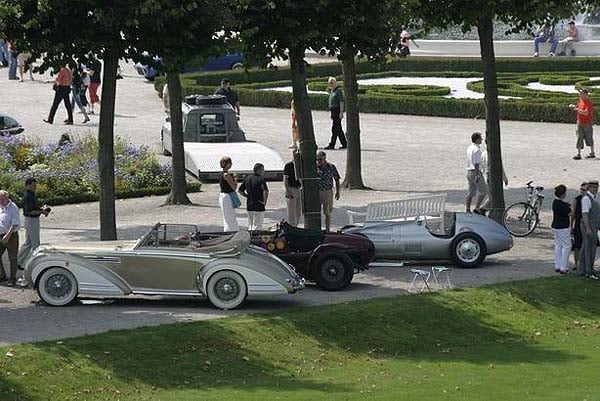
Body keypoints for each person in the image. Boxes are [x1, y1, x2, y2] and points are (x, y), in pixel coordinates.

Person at [17, 178, 51, 268]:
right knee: (36, 243)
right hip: (31, 220)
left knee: (28, 243)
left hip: (30, 220)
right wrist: (42, 212)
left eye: (35, 185)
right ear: (28, 185)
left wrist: (41, 210)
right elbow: (29, 211)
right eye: (33, 185)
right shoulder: (28, 196)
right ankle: (36, 264)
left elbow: (33, 208)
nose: (35, 186)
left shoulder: (31, 194)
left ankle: (19, 262)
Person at [479, 138, 508, 215]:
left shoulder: (483, 153)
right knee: (494, 196)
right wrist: (504, 178)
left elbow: (481, 167)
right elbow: (500, 167)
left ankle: (484, 209)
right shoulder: (493, 154)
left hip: (486, 177)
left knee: (491, 196)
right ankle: (483, 209)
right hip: (491, 178)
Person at [578, 179, 600, 279]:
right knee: (590, 249)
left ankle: (582, 269)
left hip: (593, 225)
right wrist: (588, 228)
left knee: (585, 248)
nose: (596, 189)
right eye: (594, 187)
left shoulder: (593, 198)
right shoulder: (586, 199)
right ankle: (589, 271)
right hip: (589, 226)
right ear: (589, 188)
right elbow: (585, 214)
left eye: (597, 187)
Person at [239, 163, 269, 231]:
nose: (264, 171)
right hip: (259, 205)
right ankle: (256, 239)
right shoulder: (261, 179)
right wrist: (264, 202)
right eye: (263, 169)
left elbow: (240, 190)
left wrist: (247, 196)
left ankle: (250, 237)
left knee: (251, 225)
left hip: (249, 205)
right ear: (259, 170)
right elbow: (265, 191)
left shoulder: (247, 178)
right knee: (258, 225)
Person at [0, 190, 20, 286]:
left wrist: (7, 236)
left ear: (6, 198)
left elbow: (15, 224)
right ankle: (2, 275)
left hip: (11, 236)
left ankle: (13, 279)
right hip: (0, 235)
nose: (0, 200)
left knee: (12, 258)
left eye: (1, 198)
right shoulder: (0, 206)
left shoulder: (13, 207)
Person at [316, 150, 340, 231]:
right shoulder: (314, 167)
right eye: (317, 159)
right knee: (316, 212)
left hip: (327, 191)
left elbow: (337, 179)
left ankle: (327, 229)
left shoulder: (331, 167)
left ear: (324, 159)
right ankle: (317, 229)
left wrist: (338, 191)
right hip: (317, 192)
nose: (318, 161)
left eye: (320, 159)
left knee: (327, 212)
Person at [465, 132, 487, 214]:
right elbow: (477, 163)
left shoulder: (470, 148)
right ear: (477, 139)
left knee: (471, 192)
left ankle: (467, 209)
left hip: (469, 171)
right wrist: (478, 174)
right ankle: (477, 207)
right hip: (475, 171)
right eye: (480, 138)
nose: (481, 140)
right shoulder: (477, 150)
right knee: (483, 191)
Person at [552, 184, 571, 274]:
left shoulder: (555, 203)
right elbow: (570, 212)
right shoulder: (563, 205)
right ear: (563, 194)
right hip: (563, 227)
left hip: (555, 226)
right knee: (567, 246)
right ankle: (563, 267)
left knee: (558, 245)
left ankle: (558, 265)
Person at [571, 88, 594, 160]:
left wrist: (577, 109)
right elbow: (577, 107)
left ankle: (592, 153)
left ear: (586, 94)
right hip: (579, 122)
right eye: (580, 94)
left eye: (581, 93)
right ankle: (578, 154)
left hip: (587, 123)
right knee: (579, 138)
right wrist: (573, 106)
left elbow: (586, 113)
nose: (580, 95)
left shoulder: (589, 103)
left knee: (589, 138)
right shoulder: (581, 101)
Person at [324, 77, 347, 150]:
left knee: (334, 128)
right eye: (330, 83)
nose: (331, 84)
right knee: (338, 129)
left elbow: (341, 102)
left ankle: (332, 144)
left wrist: (341, 112)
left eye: (332, 83)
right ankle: (345, 143)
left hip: (337, 111)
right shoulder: (332, 91)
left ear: (336, 83)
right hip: (333, 111)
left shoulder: (338, 91)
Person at [218, 156, 239, 232]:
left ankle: (228, 229)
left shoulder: (221, 173)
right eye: (230, 163)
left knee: (226, 215)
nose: (231, 164)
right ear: (227, 164)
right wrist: (236, 179)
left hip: (222, 195)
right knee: (230, 215)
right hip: (227, 196)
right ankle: (231, 230)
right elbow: (234, 187)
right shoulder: (227, 175)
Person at [571, 182, 588, 270]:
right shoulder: (576, 200)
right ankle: (576, 264)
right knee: (577, 246)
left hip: (587, 224)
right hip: (578, 224)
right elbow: (573, 214)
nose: (582, 191)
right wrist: (571, 226)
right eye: (581, 189)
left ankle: (585, 263)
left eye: (584, 190)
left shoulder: (590, 199)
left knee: (586, 245)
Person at [283, 159, 302, 227]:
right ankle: (292, 226)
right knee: (291, 211)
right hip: (291, 188)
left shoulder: (301, 165)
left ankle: (296, 225)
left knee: (298, 211)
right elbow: (285, 179)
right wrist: (288, 191)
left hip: (298, 188)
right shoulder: (289, 165)